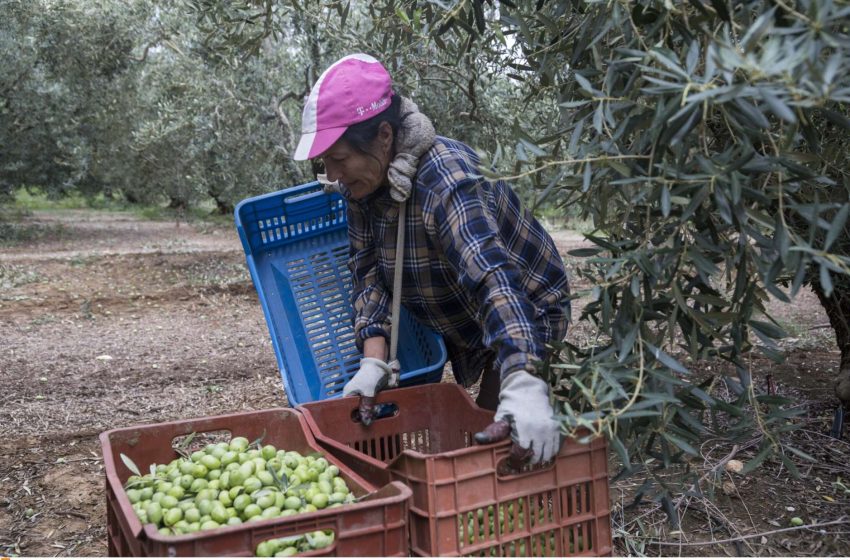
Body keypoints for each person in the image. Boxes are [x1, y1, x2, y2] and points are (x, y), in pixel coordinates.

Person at [292, 53, 571, 465]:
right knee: (468, 439)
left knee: (498, 439)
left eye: (338, 158)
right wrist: (373, 360)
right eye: (324, 162)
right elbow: (367, 270)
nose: (332, 175)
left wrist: (523, 377)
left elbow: (492, 277)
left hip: (523, 311)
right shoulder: (362, 184)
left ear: (384, 136)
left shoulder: (446, 180)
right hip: (455, 311)